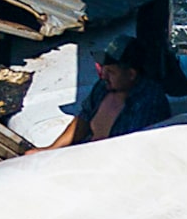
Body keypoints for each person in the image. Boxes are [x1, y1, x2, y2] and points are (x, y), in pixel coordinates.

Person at [44, 46, 173, 148]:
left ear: (131, 74)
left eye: (111, 72)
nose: (104, 76)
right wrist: (51, 150)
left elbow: (130, 147)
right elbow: (83, 119)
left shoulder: (149, 101)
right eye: (104, 70)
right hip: (88, 153)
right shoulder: (103, 87)